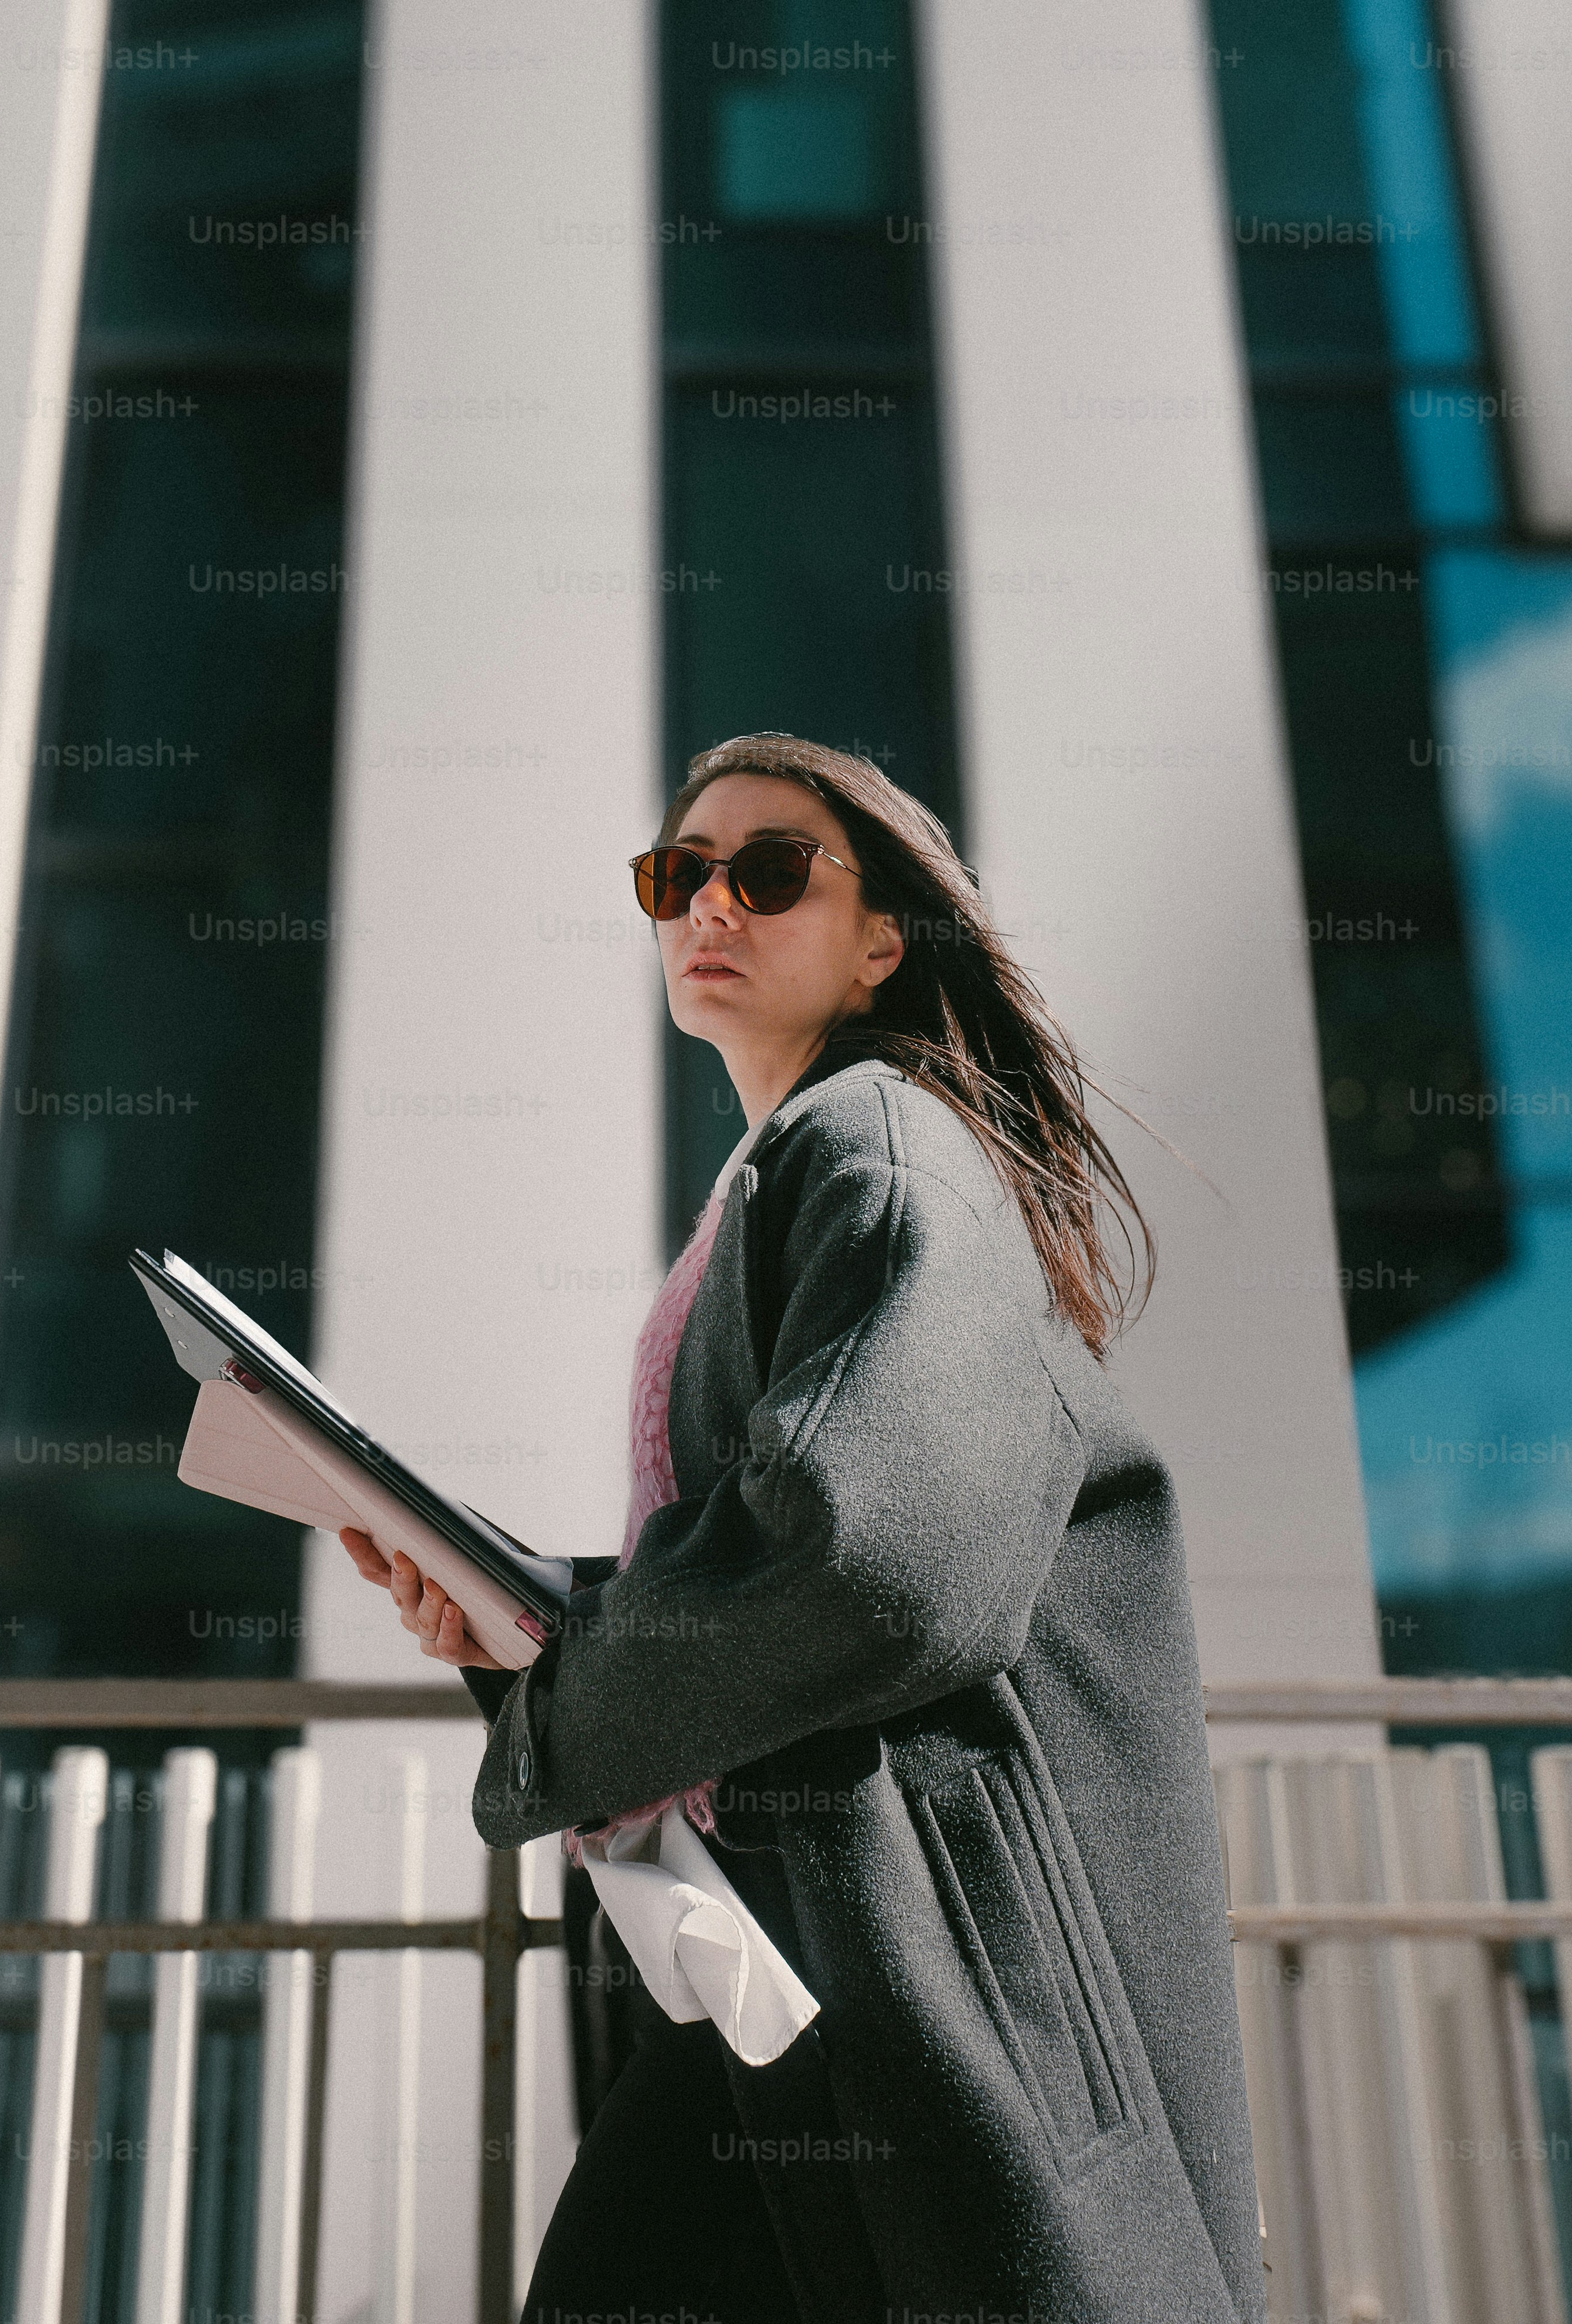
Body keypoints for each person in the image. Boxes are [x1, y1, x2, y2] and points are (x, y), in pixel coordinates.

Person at [339, 732, 1263, 2324]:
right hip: (781, 1963)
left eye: (769, 872)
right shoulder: (783, 1175)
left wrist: (566, 1702)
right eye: (675, 875)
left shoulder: (887, 1142)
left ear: (883, 938)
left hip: (901, 1976)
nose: (712, 902)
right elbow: (780, 1550)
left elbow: (867, 1559)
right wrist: (520, 1628)